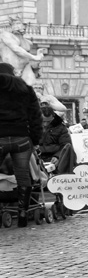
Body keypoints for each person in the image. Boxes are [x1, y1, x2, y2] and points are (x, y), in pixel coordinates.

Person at [0, 62, 42, 227]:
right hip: (21, 138)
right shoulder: (25, 89)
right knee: (23, 176)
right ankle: (23, 213)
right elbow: (35, 116)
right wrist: (36, 139)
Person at [0, 17, 45, 86]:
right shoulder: (5, 35)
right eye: (16, 23)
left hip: (24, 72)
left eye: (20, 24)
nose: (19, 26)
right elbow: (16, 49)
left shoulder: (28, 43)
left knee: (30, 89)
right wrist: (34, 57)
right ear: (11, 26)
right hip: (9, 71)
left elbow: (27, 59)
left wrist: (38, 59)